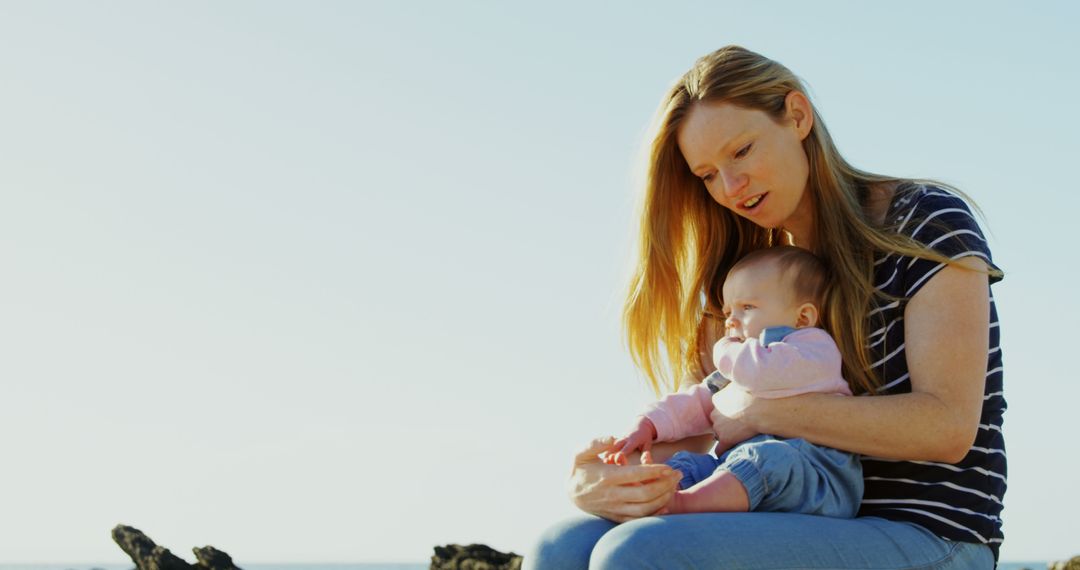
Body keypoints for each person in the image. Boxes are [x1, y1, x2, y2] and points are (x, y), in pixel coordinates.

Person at [525, 45, 1004, 570]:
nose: (730, 187)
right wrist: (601, 482)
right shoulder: (744, 276)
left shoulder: (922, 219)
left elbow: (947, 428)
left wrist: (760, 409)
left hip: (931, 533)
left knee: (638, 552)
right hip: (777, 513)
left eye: (742, 151)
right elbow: (700, 432)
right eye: (707, 174)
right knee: (561, 547)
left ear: (797, 116)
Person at [605, 246, 862, 518]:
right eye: (728, 312)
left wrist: (724, 351)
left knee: (767, 459)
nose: (730, 322)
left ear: (803, 317)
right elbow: (699, 400)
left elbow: (763, 372)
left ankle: (683, 505)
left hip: (815, 480)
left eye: (747, 307)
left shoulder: (813, 349)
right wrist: (649, 424)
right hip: (743, 470)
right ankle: (657, 494)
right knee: (689, 465)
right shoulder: (742, 360)